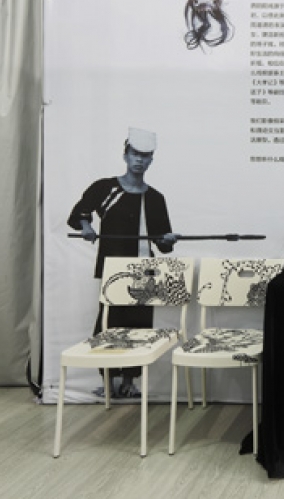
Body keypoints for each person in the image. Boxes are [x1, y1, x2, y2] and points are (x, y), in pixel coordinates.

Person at [68, 128, 178, 398]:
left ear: (151, 160)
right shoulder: (105, 188)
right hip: (114, 270)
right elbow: (79, 213)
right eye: (135, 154)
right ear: (125, 155)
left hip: (145, 272)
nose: (139, 160)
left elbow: (163, 244)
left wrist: (168, 238)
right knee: (109, 324)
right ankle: (108, 380)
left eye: (145, 155)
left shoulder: (156, 198)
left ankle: (130, 380)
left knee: (139, 326)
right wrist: (86, 227)